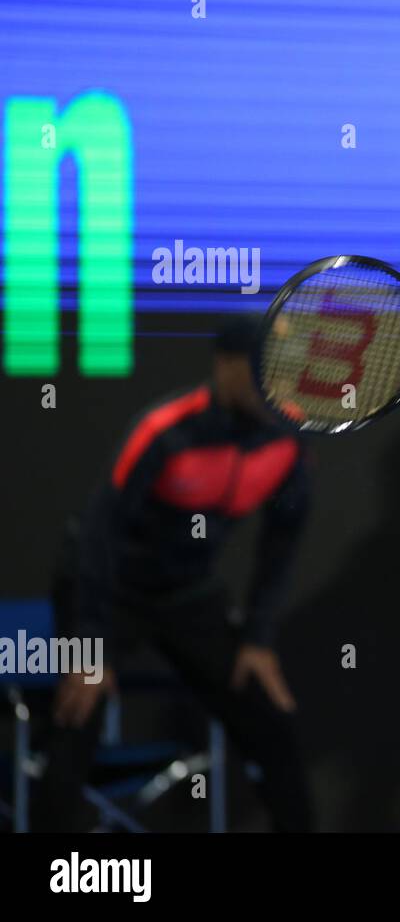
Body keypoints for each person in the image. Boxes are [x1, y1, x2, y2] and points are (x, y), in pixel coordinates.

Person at [34, 316, 315, 832]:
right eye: (260, 369)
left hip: (188, 597)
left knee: (271, 720)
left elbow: (283, 537)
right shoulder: (164, 431)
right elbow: (99, 535)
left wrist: (257, 637)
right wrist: (90, 643)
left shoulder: (287, 438)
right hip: (102, 589)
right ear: (226, 366)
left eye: (282, 371)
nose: (272, 384)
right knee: (76, 718)